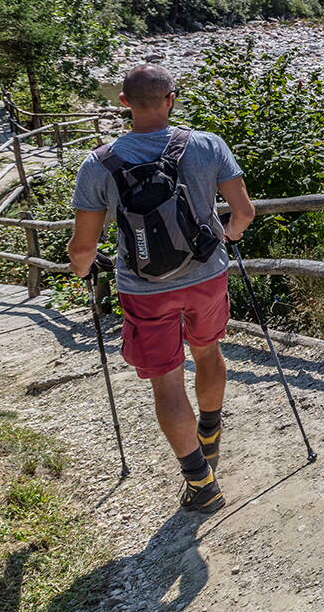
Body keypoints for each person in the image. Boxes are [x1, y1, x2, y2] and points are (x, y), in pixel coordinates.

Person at [67, 65, 256, 514]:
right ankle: (210, 432)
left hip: (143, 287)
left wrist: (82, 273)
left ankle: (201, 482)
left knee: (167, 381)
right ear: (171, 98)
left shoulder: (99, 163)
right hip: (207, 277)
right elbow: (243, 212)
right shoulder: (207, 145)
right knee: (208, 353)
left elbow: (82, 248)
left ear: (123, 102)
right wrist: (225, 239)